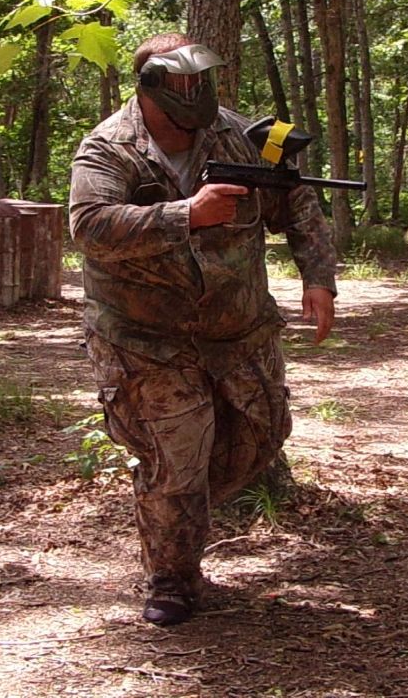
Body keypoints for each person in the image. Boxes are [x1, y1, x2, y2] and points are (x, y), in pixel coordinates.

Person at [69, 32, 338, 627]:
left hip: (238, 330)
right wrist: (185, 214)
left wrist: (318, 277)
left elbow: (297, 202)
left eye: (199, 85)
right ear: (149, 89)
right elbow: (89, 226)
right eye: (180, 91)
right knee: (177, 457)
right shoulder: (108, 148)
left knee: (262, 435)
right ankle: (173, 577)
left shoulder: (242, 134)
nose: (193, 101)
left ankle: (175, 506)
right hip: (146, 338)